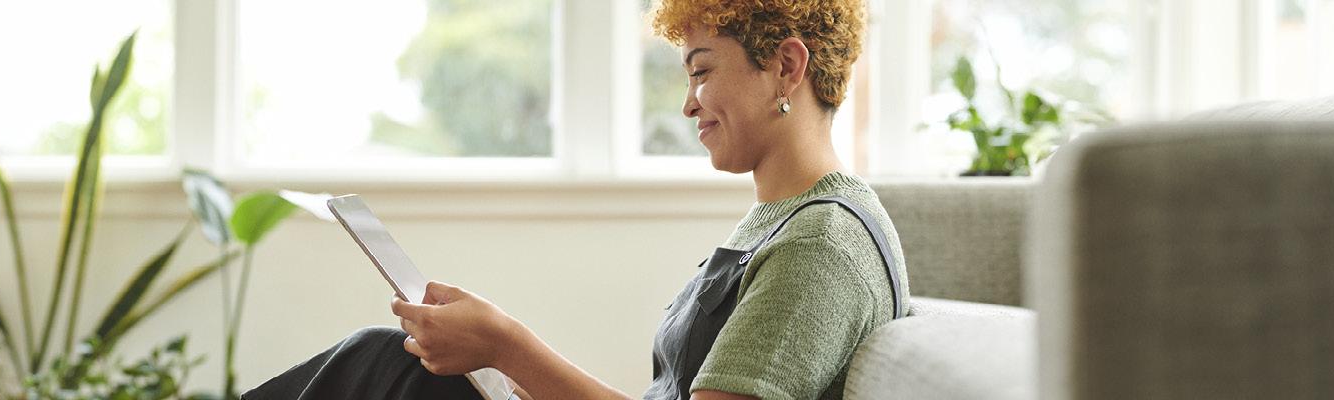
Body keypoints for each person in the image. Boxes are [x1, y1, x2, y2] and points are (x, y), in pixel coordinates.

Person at [244, 0, 900, 399]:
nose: (688, 102)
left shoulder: (820, 246)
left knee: (388, 364)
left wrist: (507, 347)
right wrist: (502, 365)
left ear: (787, 65)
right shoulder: (788, 221)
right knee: (396, 362)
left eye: (702, 70)